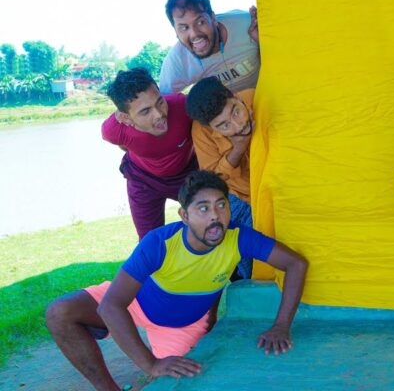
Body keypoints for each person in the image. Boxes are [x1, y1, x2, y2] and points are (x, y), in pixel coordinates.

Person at [45, 170, 308, 391]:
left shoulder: (239, 237)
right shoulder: (159, 242)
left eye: (221, 205)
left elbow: (296, 264)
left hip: (183, 325)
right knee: (60, 312)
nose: (215, 216)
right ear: (184, 216)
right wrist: (150, 364)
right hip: (136, 303)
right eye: (203, 208)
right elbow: (111, 305)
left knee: (182, 383)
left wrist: (281, 325)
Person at [102, 68, 197, 239]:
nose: (159, 114)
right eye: (145, 111)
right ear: (125, 118)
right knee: (149, 241)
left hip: (187, 175)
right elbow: (124, 146)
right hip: (143, 181)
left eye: (160, 102)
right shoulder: (113, 130)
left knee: (208, 227)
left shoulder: (182, 105)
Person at [185, 76, 256, 278]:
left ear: (235, 96)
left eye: (236, 111)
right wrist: (239, 147)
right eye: (224, 126)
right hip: (242, 196)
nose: (238, 125)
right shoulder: (201, 132)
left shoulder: (254, 98)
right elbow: (214, 178)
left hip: (276, 189)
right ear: (210, 127)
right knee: (249, 256)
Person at [159, 0, 260, 93]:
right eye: (184, 28)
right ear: (176, 32)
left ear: (213, 18)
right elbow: (166, 100)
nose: (194, 34)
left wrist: (261, 38)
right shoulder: (177, 61)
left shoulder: (247, 23)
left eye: (200, 22)